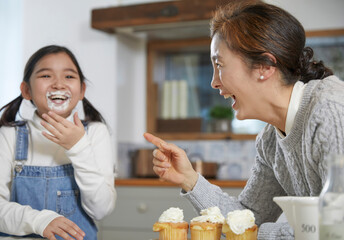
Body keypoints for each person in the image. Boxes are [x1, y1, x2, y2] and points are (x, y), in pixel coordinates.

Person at [144, 1, 344, 239]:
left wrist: (255, 234)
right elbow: (246, 217)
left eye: (219, 65)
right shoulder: (270, 141)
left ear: (264, 66)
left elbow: (336, 225)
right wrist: (190, 179)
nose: (214, 82)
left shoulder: (330, 109)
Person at [0, 45, 116, 240]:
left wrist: (78, 147)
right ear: (26, 90)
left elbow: (101, 209)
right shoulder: (10, 134)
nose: (58, 84)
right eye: (46, 76)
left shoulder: (96, 132)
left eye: (69, 76)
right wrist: (39, 221)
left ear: (82, 90)